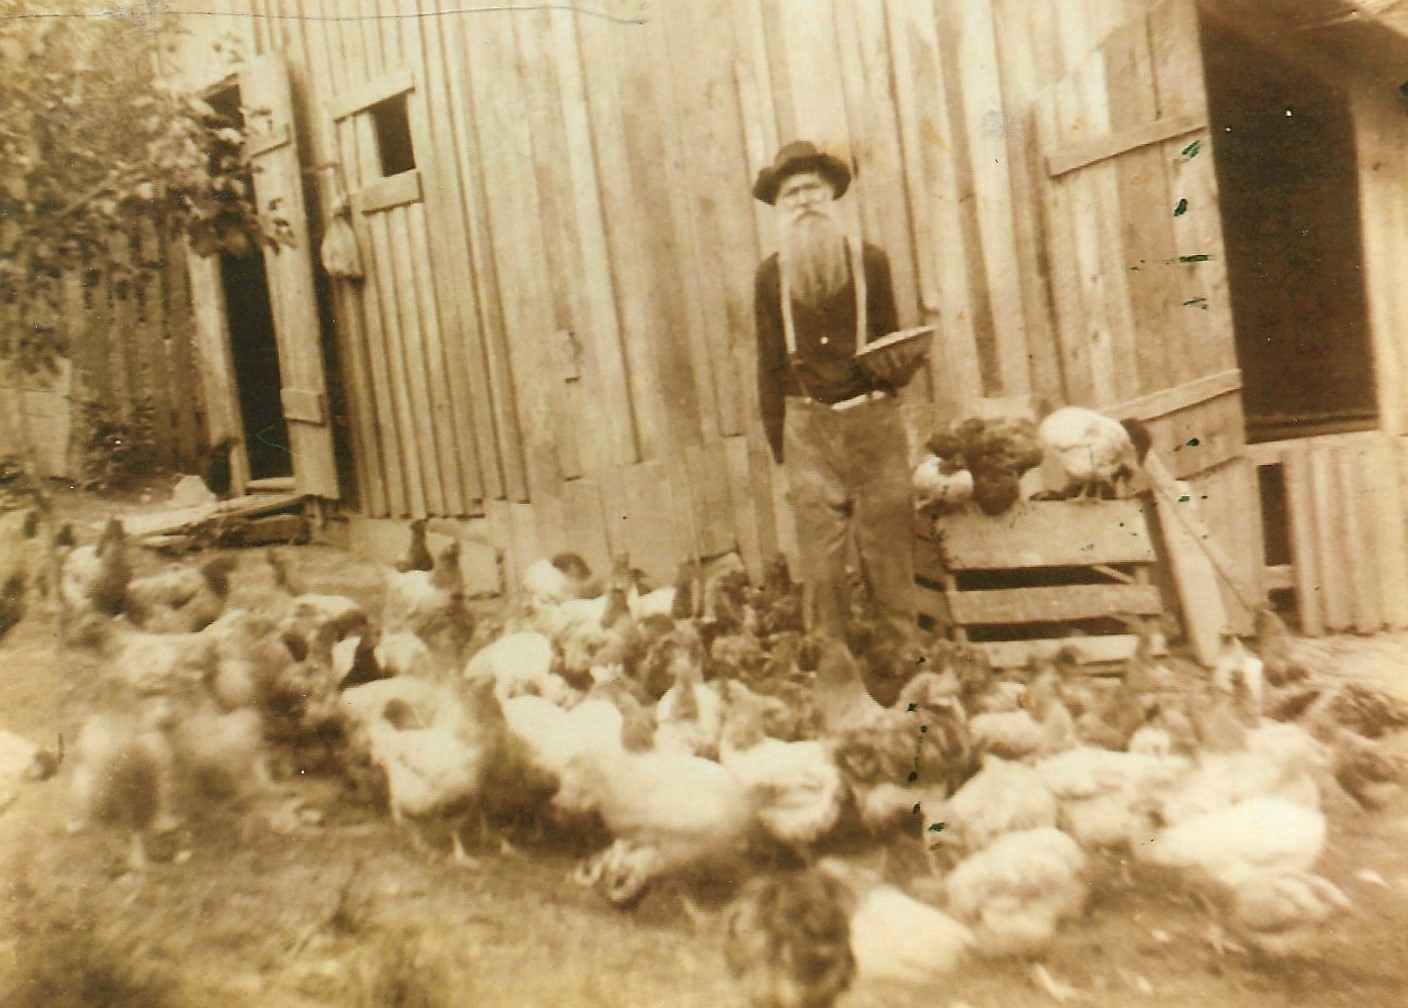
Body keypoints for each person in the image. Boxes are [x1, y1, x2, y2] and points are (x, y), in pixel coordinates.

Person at [752, 140, 928, 682]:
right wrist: (782, 450)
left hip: (873, 425)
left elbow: (891, 341)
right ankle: (833, 672)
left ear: (831, 197)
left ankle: (903, 668)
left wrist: (901, 366)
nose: (804, 200)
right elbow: (768, 368)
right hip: (808, 429)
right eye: (792, 194)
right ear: (779, 207)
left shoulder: (870, 262)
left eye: (813, 189)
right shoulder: (770, 278)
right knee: (822, 566)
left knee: (888, 555)